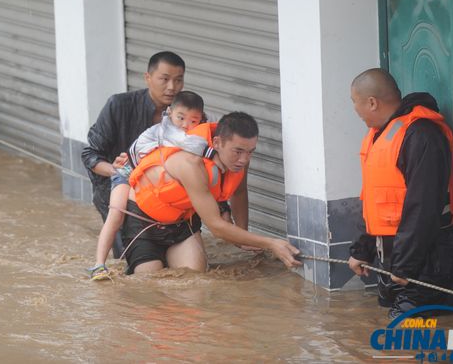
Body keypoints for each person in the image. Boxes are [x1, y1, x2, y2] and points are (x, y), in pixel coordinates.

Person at [121, 111, 302, 274]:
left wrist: (242, 235)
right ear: (217, 143)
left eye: (250, 152)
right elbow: (215, 227)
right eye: (238, 151)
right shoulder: (191, 164)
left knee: (194, 279)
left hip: (181, 222)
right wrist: (270, 243)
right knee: (149, 282)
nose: (244, 159)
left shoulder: (238, 160)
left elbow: (238, 192)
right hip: (143, 221)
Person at [346, 68, 453, 319]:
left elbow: (422, 207)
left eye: (355, 103)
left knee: (407, 331)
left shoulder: (421, 135)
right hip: (394, 261)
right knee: (395, 338)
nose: (355, 111)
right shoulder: (378, 136)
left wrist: (405, 265)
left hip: (425, 261)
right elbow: (375, 202)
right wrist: (362, 250)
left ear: (372, 102)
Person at [88, 90, 211, 281]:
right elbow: (193, 145)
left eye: (193, 120)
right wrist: (212, 151)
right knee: (116, 214)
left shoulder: (193, 133)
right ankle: (98, 264)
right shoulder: (165, 130)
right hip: (128, 173)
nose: (186, 125)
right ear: (169, 113)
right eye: (181, 118)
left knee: (194, 277)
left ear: (201, 119)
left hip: (171, 213)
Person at [82, 51, 193, 256]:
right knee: (127, 262)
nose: (172, 87)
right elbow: (90, 154)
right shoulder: (118, 105)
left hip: (167, 197)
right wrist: (115, 170)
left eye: (178, 80)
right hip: (121, 191)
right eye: (164, 79)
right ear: (147, 78)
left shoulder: (187, 113)